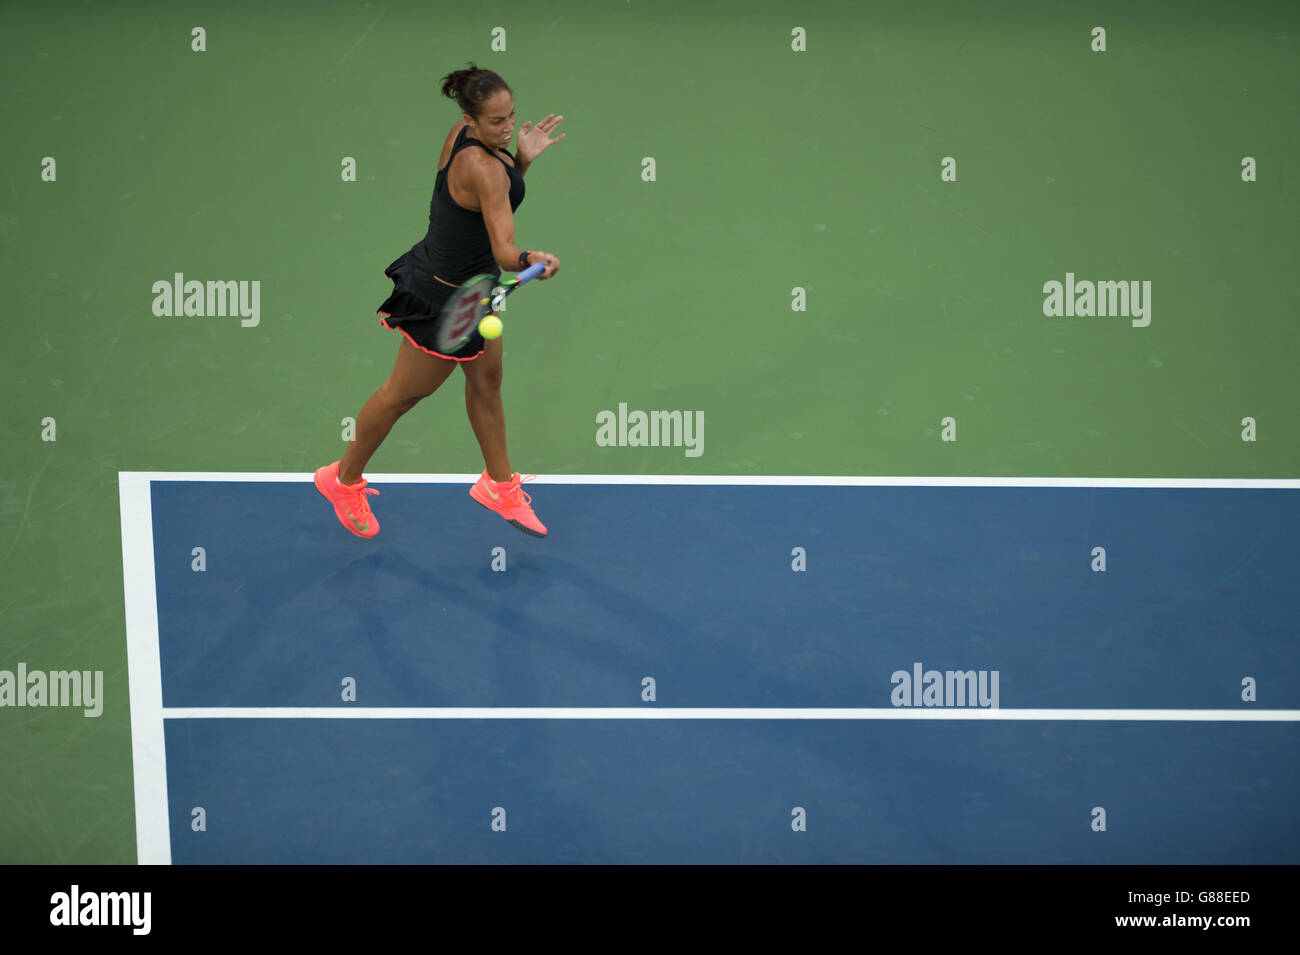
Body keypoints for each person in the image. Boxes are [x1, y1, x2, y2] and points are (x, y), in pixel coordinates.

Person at [315, 63, 564, 539]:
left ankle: (497, 484)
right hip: (444, 300)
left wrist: (523, 160)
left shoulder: (466, 141)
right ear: (470, 120)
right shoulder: (484, 167)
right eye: (496, 122)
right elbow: (504, 249)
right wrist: (533, 257)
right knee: (401, 396)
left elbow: (488, 207)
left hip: (472, 289)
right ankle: (341, 479)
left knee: (488, 381)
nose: (508, 128)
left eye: (511, 116)